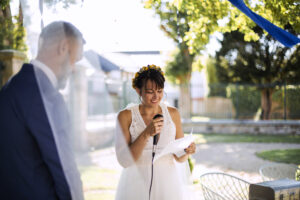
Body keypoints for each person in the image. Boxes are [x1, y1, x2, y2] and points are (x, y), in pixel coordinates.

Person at [0, 21, 85, 200]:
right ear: (63, 47)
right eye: (75, 60)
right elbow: (65, 173)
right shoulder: (48, 98)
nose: (74, 69)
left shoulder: (10, 89)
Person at [115, 64, 196, 200]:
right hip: (135, 183)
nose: (156, 96)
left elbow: (179, 157)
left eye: (159, 91)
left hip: (168, 183)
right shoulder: (125, 116)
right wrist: (146, 133)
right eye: (150, 91)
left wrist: (187, 151)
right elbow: (124, 161)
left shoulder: (173, 114)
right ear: (138, 90)